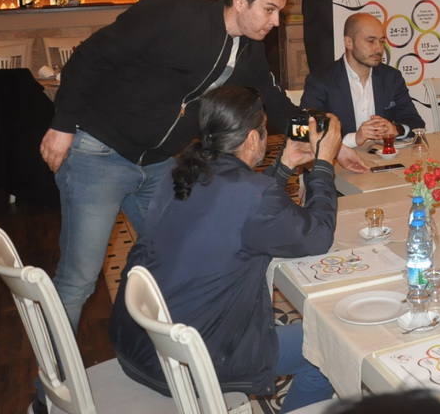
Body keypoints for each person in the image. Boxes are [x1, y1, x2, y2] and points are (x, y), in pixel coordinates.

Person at [38, 0, 367, 337]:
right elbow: (91, 56)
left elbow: (278, 107)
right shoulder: (173, 13)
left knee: (174, 261)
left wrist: (328, 144)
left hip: (159, 164)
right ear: (240, 2)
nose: (276, 22)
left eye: (279, 12)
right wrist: (63, 123)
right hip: (100, 153)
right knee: (79, 279)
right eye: (270, 10)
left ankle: (172, 351)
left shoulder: (249, 51)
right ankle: (53, 374)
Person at [108, 86, 340, 411]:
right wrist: (324, 164)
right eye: (264, 128)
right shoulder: (252, 196)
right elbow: (318, 236)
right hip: (190, 359)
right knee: (327, 347)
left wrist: (285, 163)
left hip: (138, 341)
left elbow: (244, 207)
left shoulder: (181, 171)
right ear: (252, 139)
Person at [301, 13, 424, 148]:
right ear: (349, 42)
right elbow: (308, 131)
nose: (378, 48)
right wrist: (355, 138)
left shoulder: (391, 77)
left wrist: (395, 129)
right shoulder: (320, 81)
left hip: (382, 156)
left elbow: (415, 122)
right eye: (370, 41)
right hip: (338, 157)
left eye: (381, 41)